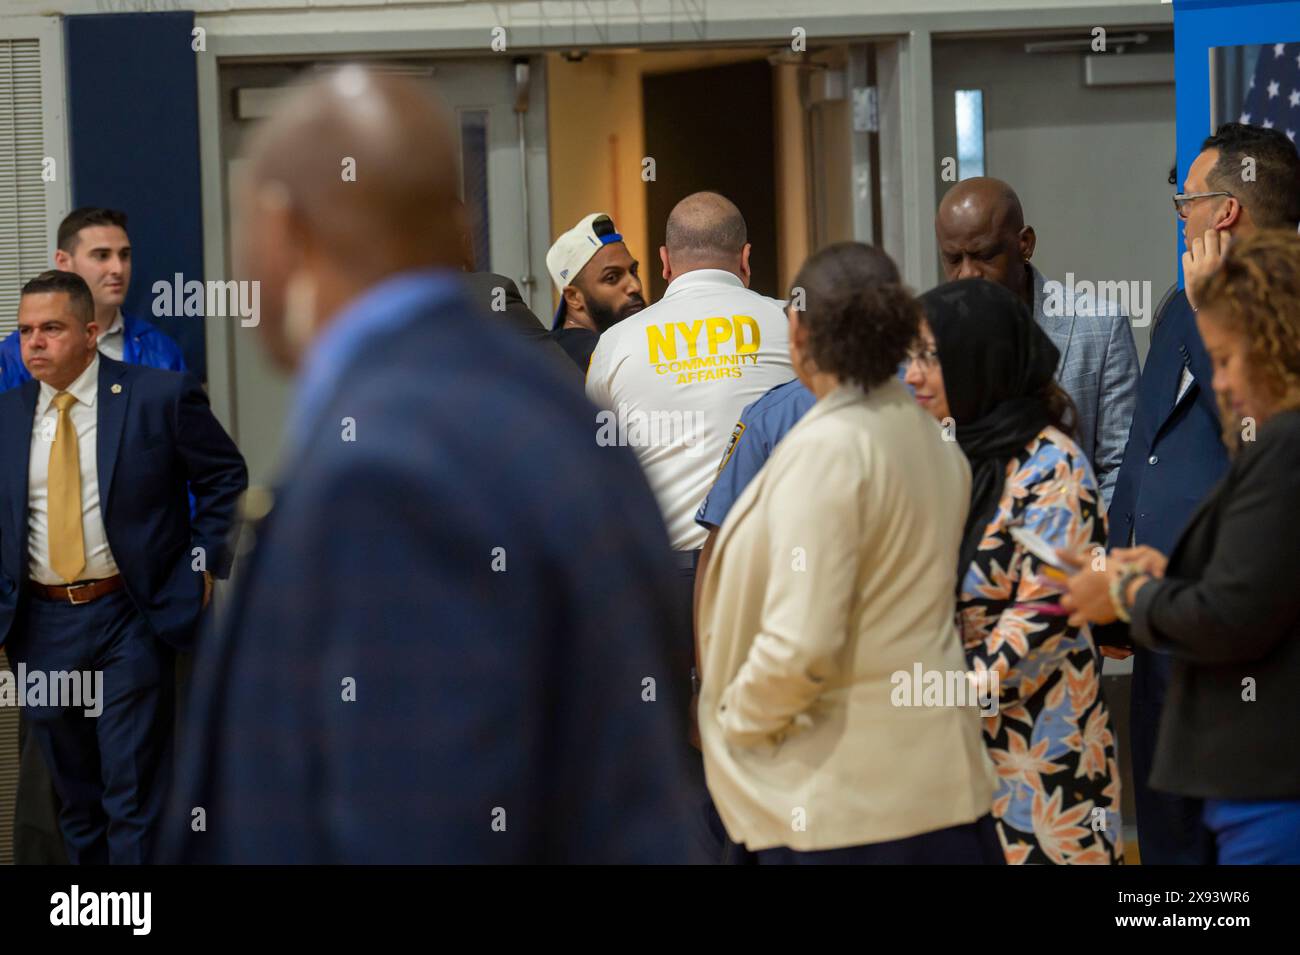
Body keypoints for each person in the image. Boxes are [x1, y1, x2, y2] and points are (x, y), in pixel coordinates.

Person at [160, 66, 697, 863]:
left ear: (281, 231)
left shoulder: (386, 473)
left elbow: (425, 825)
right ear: (459, 224)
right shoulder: (558, 408)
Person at [696, 244, 997, 863]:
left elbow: (802, 645)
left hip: (845, 801)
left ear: (799, 331)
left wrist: (735, 723)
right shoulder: (933, 440)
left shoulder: (829, 450)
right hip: (937, 785)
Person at [1062, 230, 1300, 864]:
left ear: (1271, 346)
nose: (1217, 383)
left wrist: (1128, 590)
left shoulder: (1284, 448)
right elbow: (1259, 581)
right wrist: (1171, 573)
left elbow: (1231, 615)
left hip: (1271, 794)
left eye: (1225, 360)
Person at [0, 270, 246, 864]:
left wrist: (204, 564)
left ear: (89, 332)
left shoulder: (158, 395)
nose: (35, 343)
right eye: (26, 331)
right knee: (73, 798)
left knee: (131, 794)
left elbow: (222, 476)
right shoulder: (6, 415)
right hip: (42, 625)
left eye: (51, 329)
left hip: (130, 615)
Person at [909, 279, 1122, 864]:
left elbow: (1036, 632)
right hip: (950, 775)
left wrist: (914, 700)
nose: (913, 375)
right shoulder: (942, 456)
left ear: (981, 361)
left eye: (931, 355)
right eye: (910, 355)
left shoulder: (1054, 470)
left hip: (1041, 773)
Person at [693, 243, 900, 625]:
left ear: (797, 335)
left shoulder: (771, 419)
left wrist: (711, 677)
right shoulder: (936, 403)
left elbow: (719, 557)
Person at [934, 177, 1138, 505]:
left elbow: (1120, 466)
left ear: (1025, 244)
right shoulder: (930, 341)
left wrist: (1089, 546)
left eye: (983, 255)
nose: (968, 274)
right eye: (953, 259)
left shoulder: (1099, 325)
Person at [0, 207, 186, 392]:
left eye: (124, 255)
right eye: (102, 256)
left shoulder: (161, 352)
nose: (118, 269)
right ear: (64, 262)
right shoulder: (13, 356)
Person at [545, 212, 646, 370]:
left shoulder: (549, 352)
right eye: (612, 277)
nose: (635, 286)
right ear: (574, 297)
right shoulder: (607, 360)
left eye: (633, 272)